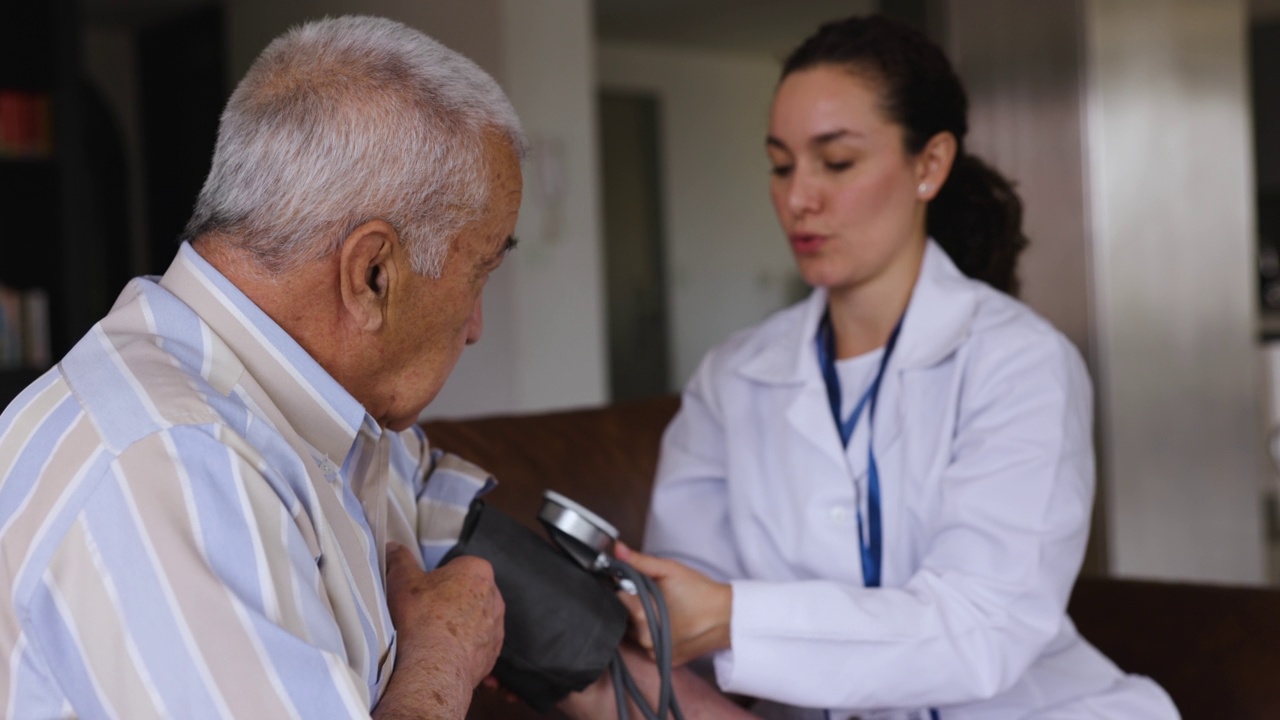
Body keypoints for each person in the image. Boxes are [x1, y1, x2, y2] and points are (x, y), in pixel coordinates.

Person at [618, 14, 1181, 720]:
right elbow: (686, 618)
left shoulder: (1019, 362)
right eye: (782, 164)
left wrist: (738, 618)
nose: (799, 199)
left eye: (837, 162)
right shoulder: (733, 376)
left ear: (930, 165)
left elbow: (984, 627)